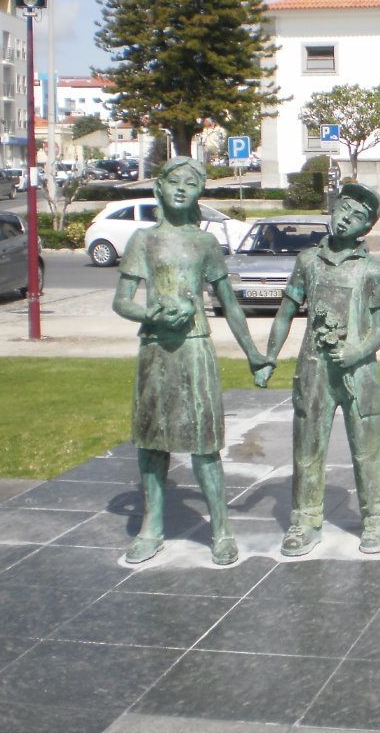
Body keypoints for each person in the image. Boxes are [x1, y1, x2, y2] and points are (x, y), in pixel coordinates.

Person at [112, 157, 270, 566]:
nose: (182, 189)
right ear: (160, 188)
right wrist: (151, 313)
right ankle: (151, 527)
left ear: (200, 192)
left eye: (192, 183)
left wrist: (253, 353)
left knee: (204, 442)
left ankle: (221, 529)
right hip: (155, 348)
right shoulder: (143, 241)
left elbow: (229, 303)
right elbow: (122, 301)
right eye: (175, 181)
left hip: (196, 347)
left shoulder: (204, 244)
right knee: (151, 442)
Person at [258, 181, 380, 555]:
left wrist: (357, 351)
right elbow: (285, 313)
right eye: (344, 208)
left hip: (358, 373)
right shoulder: (307, 262)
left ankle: (376, 518)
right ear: (334, 208)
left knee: (366, 448)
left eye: (358, 216)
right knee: (307, 447)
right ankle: (304, 520)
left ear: (366, 228)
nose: (347, 219)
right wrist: (269, 357)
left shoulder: (374, 271)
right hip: (313, 369)